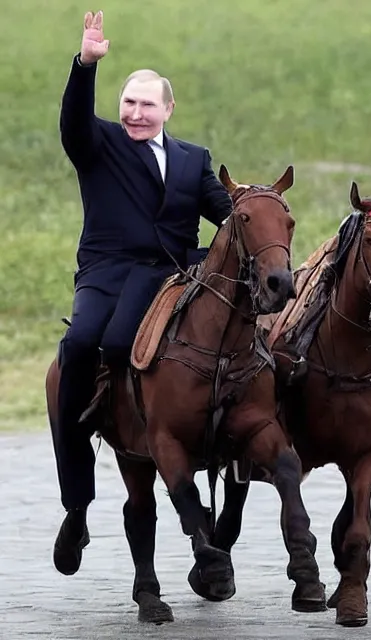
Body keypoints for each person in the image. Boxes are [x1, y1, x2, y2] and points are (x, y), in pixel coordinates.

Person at [50, 10, 234, 577]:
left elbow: (229, 221)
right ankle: (77, 505)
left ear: (167, 110)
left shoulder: (193, 160)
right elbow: (73, 123)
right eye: (129, 102)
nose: (135, 113)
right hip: (108, 273)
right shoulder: (100, 143)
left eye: (147, 104)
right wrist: (85, 65)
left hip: (175, 273)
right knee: (84, 344)